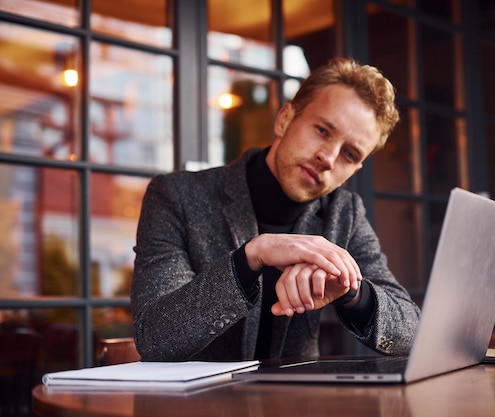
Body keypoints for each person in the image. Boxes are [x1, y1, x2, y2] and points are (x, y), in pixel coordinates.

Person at [131, 57, 420, 361]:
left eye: (349, 153)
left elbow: (413, 333)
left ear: (355, 169)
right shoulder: (176, 196)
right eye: (322, 130)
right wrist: (251, 257)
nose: (328, 158)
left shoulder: (344, 212)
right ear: (285, 119)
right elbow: (155, 338)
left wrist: (353, 292)